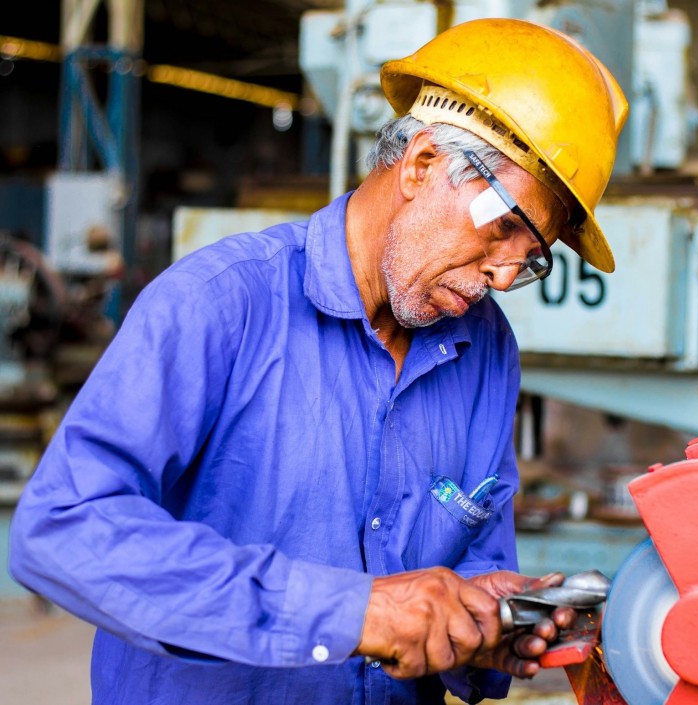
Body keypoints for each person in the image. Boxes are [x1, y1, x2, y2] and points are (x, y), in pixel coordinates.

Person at [9, 17, 627, 705]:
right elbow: (61, 528)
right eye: (505, 225)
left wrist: (487, 620)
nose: (506, 276)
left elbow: (474, 563)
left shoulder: (484, 349)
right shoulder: (219, 304)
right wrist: (352, 611)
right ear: (422, 164)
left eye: (532, 256)